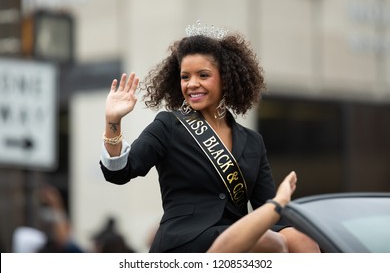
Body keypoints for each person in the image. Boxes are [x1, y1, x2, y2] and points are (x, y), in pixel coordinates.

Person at [99, 21, 320, 253]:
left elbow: (271, 214)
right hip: (185, 239)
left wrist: (293, 228)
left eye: (203, 75)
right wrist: (113, 121)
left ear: (226, 78)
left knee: (300, 238)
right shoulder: (169, 125)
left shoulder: (253, 142)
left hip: (236, 238)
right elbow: (119, 172)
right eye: (185, 77)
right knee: (270, 243)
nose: (192, 84)